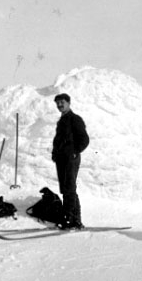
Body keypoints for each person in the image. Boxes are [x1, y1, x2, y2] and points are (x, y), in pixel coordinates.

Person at [51, 93, 89, 229]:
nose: (60, 105)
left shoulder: (74, 119)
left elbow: (84, 139)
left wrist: (74, 152)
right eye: (58, 103)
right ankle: (75, 220)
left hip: (70, 159)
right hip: (62, 159)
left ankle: (69, 219)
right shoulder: (62, 120)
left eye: (62, 102)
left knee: (69, 188)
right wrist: (55, 154)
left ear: (68, 103)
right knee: (67, 188)